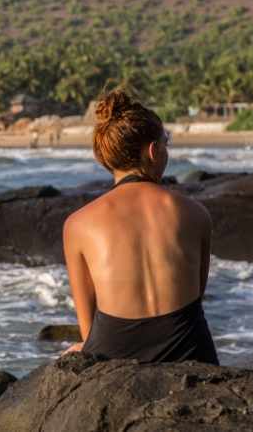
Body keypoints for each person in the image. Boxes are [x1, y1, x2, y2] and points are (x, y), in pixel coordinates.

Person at [62, 90, 218, 365]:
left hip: (113, 356)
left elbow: (87, 328)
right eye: (165, 143)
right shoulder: (196, 213)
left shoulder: (78, 223)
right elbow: (196, 296)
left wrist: (86, 345)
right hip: (190, 352)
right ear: (153, 150)